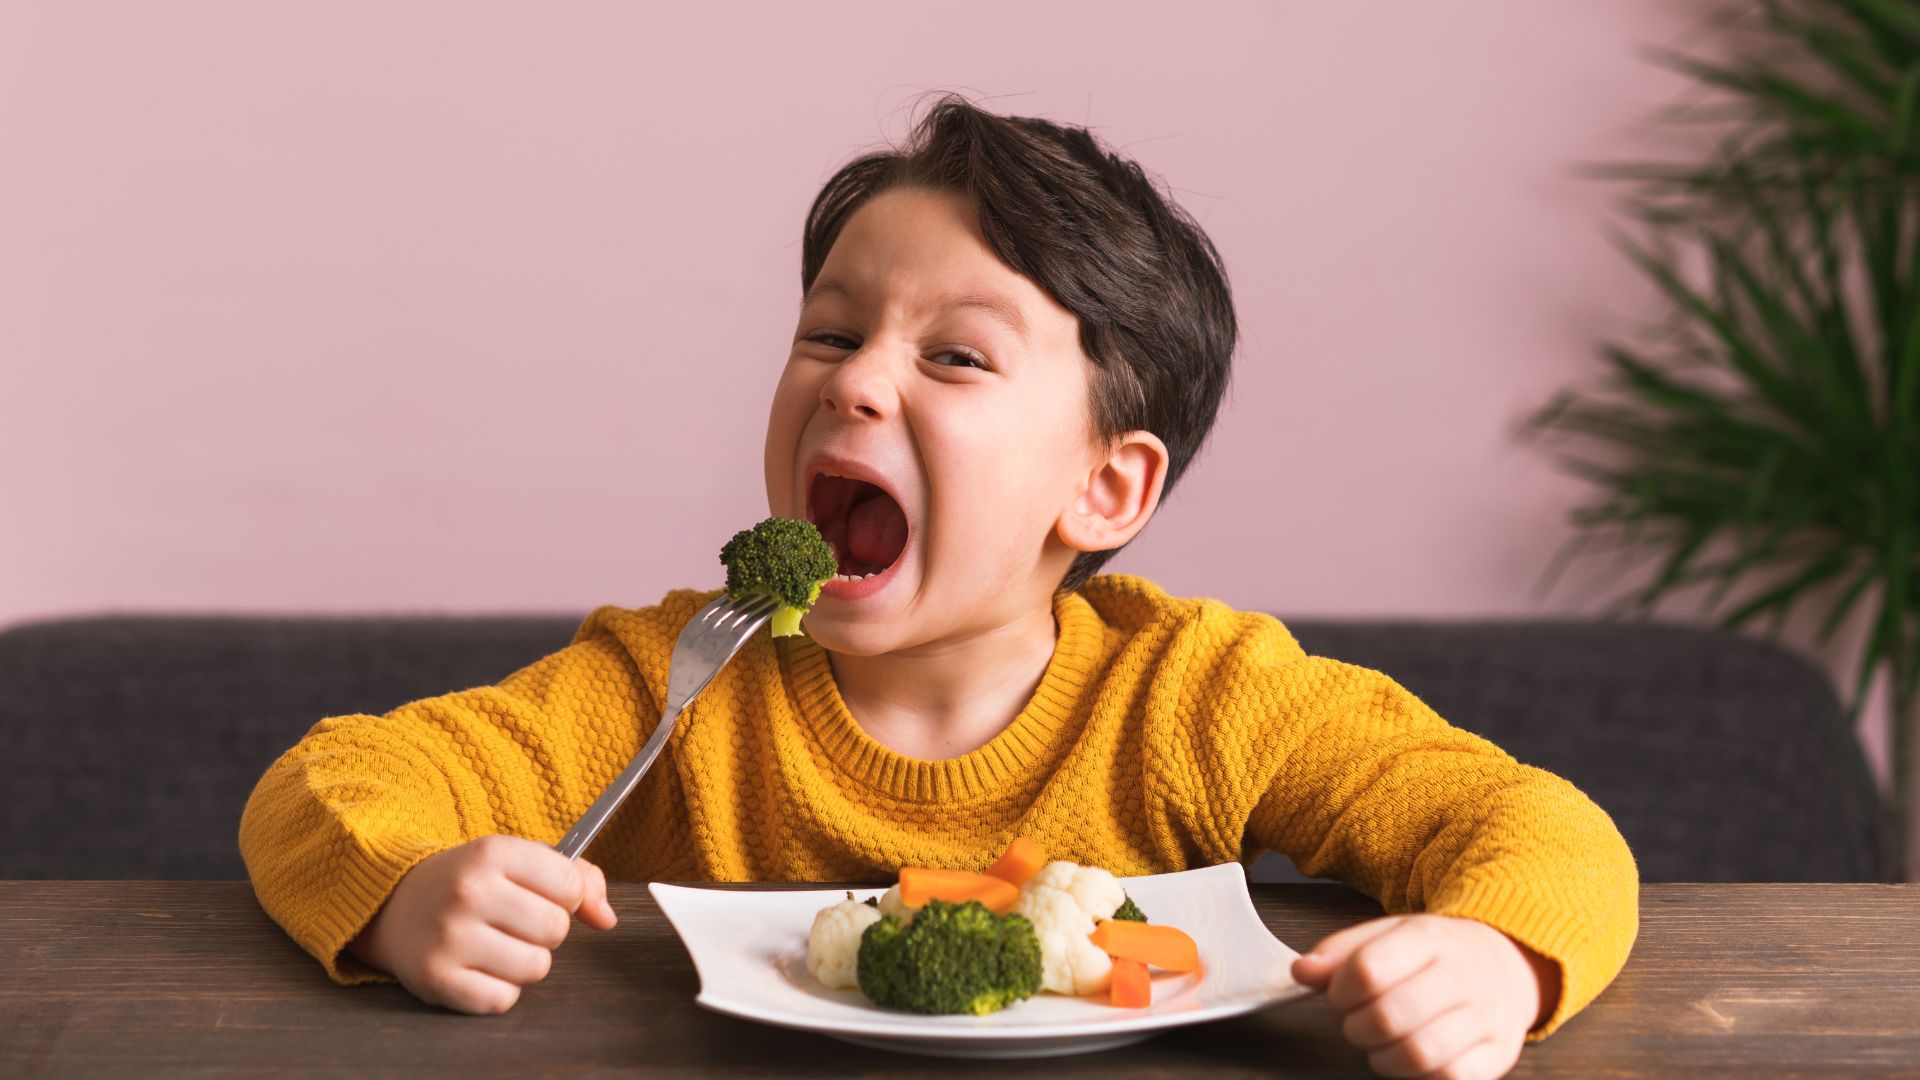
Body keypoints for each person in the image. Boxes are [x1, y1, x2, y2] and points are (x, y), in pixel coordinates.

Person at [241, 94, 1635, 1080]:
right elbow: (334, 780)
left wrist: (1498, 960)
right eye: (831, 332)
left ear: (1106, 489)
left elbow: (1533, 825)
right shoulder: (678, 680)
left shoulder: (1204, 698)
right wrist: (404, 890)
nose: (853, 380)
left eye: (954, 358)